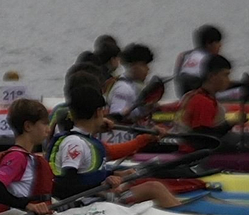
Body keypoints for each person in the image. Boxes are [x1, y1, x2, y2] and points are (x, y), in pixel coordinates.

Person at [49, 84, 182, 208]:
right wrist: (103, 184)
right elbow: (65, 183)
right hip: (86, 205)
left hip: (94, 198)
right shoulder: (75, 143)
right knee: (154, 188)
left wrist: (113, 173)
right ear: (98, 112)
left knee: (150, 184)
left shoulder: (83, 139)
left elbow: (84, 174)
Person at [0, 99, 55, 215]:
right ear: (28, 126)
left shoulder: (29, 158)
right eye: (44, 124)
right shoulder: (17, 157)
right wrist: (26, 205)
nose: (48, 129)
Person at [174, 24, 249, 97]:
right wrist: (245, 84)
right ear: (209, 43)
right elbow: (221, 84)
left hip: (185, 95)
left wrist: (244, 83)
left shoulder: (185, 55)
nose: (220, 45)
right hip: (203, 95)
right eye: (218, 42)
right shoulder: (209, 59)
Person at [175, 54, 246, 141]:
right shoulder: (203, 101)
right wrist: (231, 123)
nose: (228, 80)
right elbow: (202, 137)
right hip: (194, 150)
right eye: (225, 75)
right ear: (212, 77)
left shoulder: (194, 95)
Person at [108, 43, 157, 121]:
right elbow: (116, 117)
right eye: (143, 65)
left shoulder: (133, 85)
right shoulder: (123, 88)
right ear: (133, 66)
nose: (148, 69)